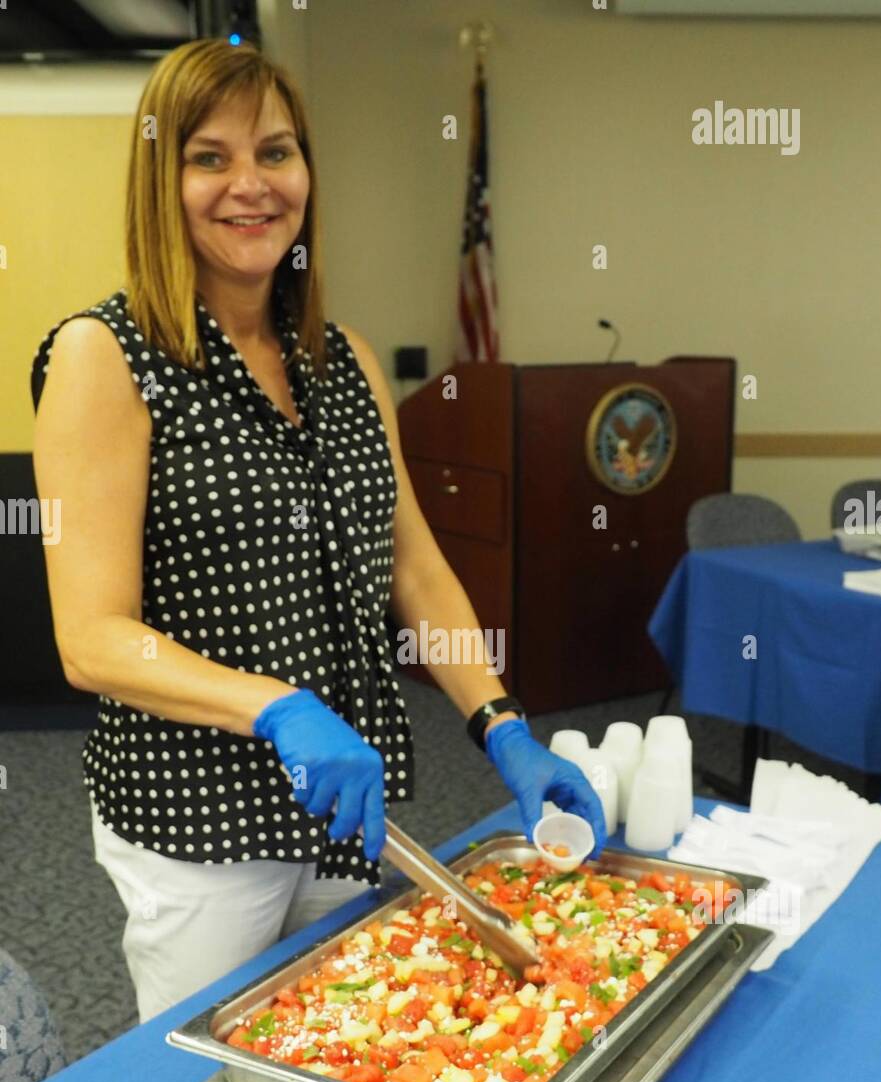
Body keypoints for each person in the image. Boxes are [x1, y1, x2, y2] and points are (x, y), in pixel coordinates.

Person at [31, 38, 605, 1024]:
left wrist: (502, 723)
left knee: (350, 1037)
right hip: (200, 823)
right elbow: (91, 639)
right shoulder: (106, 355)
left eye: (276, 152)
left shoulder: (343, 361)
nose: (250, 184)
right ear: (158, 179)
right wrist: (278, 708)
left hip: (349, 815)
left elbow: (414, 566)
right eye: (208, 156)